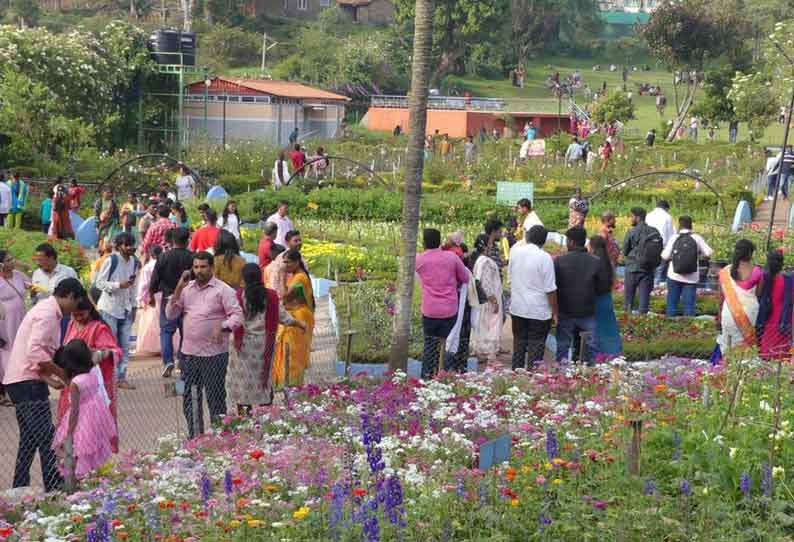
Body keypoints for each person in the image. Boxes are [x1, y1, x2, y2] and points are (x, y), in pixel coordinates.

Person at [3, 277, 85, 492]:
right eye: (76, 303)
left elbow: (35, 355)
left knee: (29, 439)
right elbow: (35, 351)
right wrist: (61, 375)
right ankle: (54, 485)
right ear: (69, 296)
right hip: (25, 382)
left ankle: (19, 486)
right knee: (47, 437)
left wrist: (47, 377)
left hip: (21, 379)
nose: (75, 309)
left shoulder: (48, 310)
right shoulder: (49, 313)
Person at [166, 252, 243, 438]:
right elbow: (170, 314)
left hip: (214, 355)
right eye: (196, 267)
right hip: (188, 355)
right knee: (188, 397)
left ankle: (221, 437)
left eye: (203, 267)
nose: (199, 271)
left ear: (211, 268)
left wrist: (223, 326)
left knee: (215, 398)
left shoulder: (223, 290)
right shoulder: (186, 290)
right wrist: (178, 287)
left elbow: (238, 316)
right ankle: (195, 437)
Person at [228, 263, 304, 414]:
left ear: (243, 278)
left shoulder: (238, 296)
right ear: (260, 276)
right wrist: (299, 323)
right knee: (264, 378)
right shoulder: (270, 296)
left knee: (243, 382)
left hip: (242, 346)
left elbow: (233, 320)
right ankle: (266, 415)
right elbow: (283, 317)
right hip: (263, 345)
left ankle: (245, 417)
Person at [58, 297, 122, 453]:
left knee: (90, 429)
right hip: (72, 383)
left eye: (82, 314)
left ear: (90, 310)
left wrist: (100, 354)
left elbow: (116, 352)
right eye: (75, 315)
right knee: (70, 421)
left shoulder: (99, 328)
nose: (79, 318)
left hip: (91, 387)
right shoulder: (71, 324)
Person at [52, 339, 116, 480]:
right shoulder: (92, 374)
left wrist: (69, 432)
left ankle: (78, 480)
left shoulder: (75, 383)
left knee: (79, 449)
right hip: (96, 415)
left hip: (82, 419)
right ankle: (95, 477)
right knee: (93, 447)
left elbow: (75, 410)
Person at [415, 229, 470, 378]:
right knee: (447, 345)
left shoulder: (419, 259)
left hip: (429, 310)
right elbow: (466, 278)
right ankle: (444, 377)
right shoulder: (451, 258)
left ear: (424, 242)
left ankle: (426, 376)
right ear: (440, 242)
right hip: (449, 310)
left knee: (429, 345)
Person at [554, 227, 611, 363]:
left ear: (572, 242)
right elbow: (603, 287)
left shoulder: (559, 261)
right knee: (592, 347)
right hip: (587, 311)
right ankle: (592, 376)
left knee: (563, 346)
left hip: (565, 311)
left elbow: (553, 286)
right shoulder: (595, 261)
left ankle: (560, 376)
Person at [509, 225, 558, 370]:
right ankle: (532, 379)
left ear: (528, 237)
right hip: (539, 312)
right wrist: (555, 312)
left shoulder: (515, 253)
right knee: (535, 351)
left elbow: (510, 279)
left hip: (517, 309)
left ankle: (515, 377)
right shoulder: (545, 258)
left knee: (518, 345)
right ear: (543, 241)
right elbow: (550, 289)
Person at [95, 232, 139, 390]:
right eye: (127, 245)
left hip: (125, 308)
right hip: (109, 308)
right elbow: (99, 283)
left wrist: (134, 306)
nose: (130, 248)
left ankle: (121, 377)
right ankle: (107, 378)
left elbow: (134, 285)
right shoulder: (111, 260)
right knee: (109, 346)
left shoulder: (134, 262)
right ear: (119, 246)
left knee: (125, 346)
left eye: (132, 244)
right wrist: (117, 285)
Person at [150, 227, 193, 378]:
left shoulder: (163, 257)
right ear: (187, 240)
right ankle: (183, 361)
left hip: (168, 298)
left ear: (172, 240)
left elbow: (155, 279)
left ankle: (168, 361)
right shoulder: (192, 257)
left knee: (166, 331)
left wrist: (151, 293)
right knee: (185, 332)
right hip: (188, 299)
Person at [272, 250, 315, 386]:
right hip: (294, 315)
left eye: (287, 262)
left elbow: (285, 296)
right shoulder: (295, 275)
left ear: (296, 262)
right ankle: (285, 382)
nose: (285, 265)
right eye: (283, 262)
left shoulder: (300, 278)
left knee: (293, 352)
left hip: (299, 318)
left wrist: (280, 275)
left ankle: (291, 383)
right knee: (287, 349)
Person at [661, 216, 713, 317]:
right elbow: (709, 253)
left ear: (679, 225)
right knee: (689, 306)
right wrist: (698, 255)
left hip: (674, 275)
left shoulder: (674, 238)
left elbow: (664, 256)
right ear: (691, 225)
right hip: (691, 277)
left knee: (672, 303)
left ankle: (670, 327)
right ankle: (688, 327)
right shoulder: (697, 238)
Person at [718, 239, 762, 354]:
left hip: (728, 313)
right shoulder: (757, 271)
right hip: (749, 313)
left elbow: (721, 297)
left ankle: (729, 367)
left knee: (728, 343)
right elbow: (759, 294)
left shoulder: (725, 271)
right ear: (750, 253)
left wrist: (719, 315)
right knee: (746, 344)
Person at [0, 250, 30, 406]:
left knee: (19, 353)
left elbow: (32, 285)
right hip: (4, 324)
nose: (12, 262)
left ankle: (17, 391)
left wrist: (26, 266)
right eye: (8, 260)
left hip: (20, 320)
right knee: (5, 356)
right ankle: (6, 392)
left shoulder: (18, 275)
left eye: (12, 258)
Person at [470, 232, 503, 362]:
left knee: (481, 326)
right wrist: (494, 301)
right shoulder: (487, 262)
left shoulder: (479, 260)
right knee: (490, 327)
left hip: (482, 300)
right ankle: (489, 355)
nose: (491, 247)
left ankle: (480, 352)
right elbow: (487, 283)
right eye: (489, 244)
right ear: (485, 247)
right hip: (489, 300)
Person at [623, 208, 663, 314]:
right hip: (648, 269)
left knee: (628, 300)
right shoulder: (654, 231)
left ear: (638, 217)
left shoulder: (632, 231)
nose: (631, 219)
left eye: (632, 216)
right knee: (644, 300)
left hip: (632, 268)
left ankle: (626, 322)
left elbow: (625, 250)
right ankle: (643, 323)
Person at [588, 235, 622, 357]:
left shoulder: (591, 262)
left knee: (595, 329)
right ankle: (613, 353)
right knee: (609, 328)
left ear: (591, 247)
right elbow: (614, 283)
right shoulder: (609, 263)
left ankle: (597, 356)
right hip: (606, 299)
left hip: (594, 300)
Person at [758, 250, 792, 360]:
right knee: (781, 350)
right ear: (782, 263)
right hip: (784, 317)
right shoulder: (787, 280)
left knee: (767, 347)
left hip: (768, 317)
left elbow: (759, 296)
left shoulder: (765, 278)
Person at [135, 245, 163, 355]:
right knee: (163, 324)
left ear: (151, 255)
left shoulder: (147, 267)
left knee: (151, 324)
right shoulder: (164, 265)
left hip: (151, 298)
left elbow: (144, 285)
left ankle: (153, 347)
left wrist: (140, 299)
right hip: (163, 296)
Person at [646, 201, 676, 284]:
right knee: (659, 268)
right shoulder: (668, 217)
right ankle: (656, 287)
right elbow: (670, 234)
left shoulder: (648, 215)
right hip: (661, 245)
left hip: (648, 245)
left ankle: (648, 285)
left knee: (649, 267)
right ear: (666, 208)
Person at [94, 189, 121, 253]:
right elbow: (96, 212)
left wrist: (118, 221)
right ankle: (101, 250)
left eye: (110, 193)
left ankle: (107, 251)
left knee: (109, 238)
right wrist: (97, 221)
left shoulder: (112, 202)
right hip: (101, 222)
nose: (109, 194)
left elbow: (116, 212)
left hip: (111, 222)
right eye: (107, 192)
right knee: (101, 237)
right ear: (103, 193)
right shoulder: (99, 201)